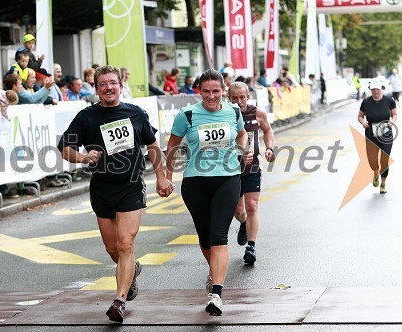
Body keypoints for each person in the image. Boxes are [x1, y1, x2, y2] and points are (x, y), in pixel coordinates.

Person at [57, 65, 173, 323]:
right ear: (96, 89)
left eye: (113, 83)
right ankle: (132, 270)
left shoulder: (135, 113)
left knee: (126, 243)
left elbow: (152, 144)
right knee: (112, 248)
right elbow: (64, 148)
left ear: (120, 85)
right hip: (101, 188)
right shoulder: (86, 117)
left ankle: (119, 300)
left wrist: (162, 176)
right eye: (103, 84)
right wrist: (83, 156)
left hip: (131, 185)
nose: (108, 87)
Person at [165, 69, 251, 316]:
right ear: (198, 91)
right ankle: (214, 273)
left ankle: (217, 293)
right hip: (195, 183)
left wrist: (239, 149)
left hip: (227, 178)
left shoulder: (233, 111)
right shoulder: (187, 114)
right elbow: (172, 144)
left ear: (223, 90)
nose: (211, 96)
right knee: (205, 239)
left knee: (219, 236)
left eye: (216, 91)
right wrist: (167, 176)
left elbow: (243, 133)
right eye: (206, 91)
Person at [228, 82, 275, 265]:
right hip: (231, 169)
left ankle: (251, 246)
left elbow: (268, 130)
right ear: (228, 98)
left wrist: (269, 148)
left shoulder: (257, 114)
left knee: (252, 205)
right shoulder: (224, 115)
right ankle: (243, 222)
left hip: (253, 167)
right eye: (234, 98)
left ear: (248, 96)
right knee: (237, 210)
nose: (239, 101)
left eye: (242, 97)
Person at [357, 77, 397, 194]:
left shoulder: (389, 101)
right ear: (370, 90)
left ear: (381, 89)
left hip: (386, 133)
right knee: (372, 160)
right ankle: (375, 172)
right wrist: (363, 122)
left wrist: (392, 122)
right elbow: (360, 116)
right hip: (371, 134)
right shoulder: (366, 102)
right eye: (373, 89)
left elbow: (394, 114)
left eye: (378, 89)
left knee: (384, 159)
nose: (375, 91)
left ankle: (383, 183)